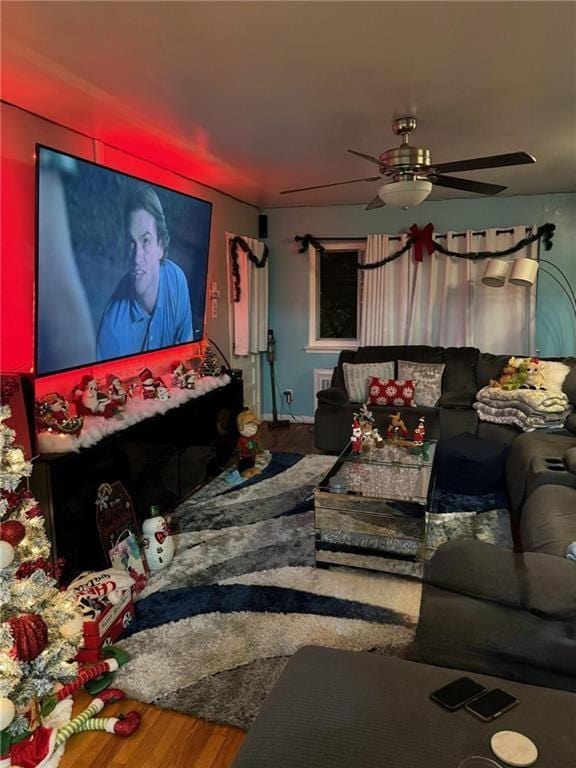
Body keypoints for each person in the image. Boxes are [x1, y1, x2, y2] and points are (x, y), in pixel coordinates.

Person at [96, 187, 193, 360]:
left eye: (146, 241)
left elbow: (188, 358)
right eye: (131, 242)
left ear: (161, 246)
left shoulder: (177, 281)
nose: (137, 257)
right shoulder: (111, 329)